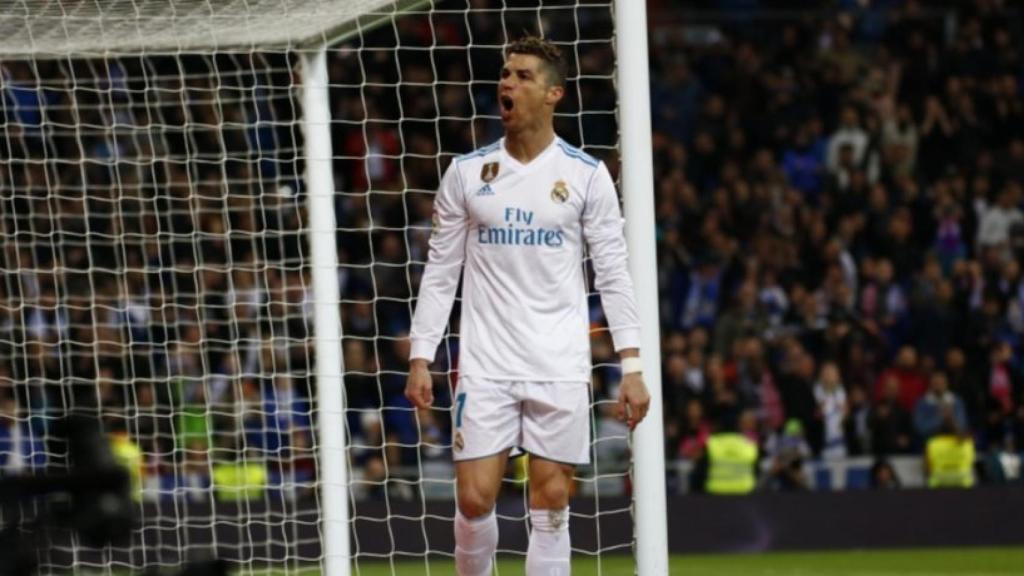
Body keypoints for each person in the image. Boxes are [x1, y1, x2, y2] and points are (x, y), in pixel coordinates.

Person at [404, 36, 650, 576]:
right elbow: (441, 272)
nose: (506, 83)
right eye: (505, 74)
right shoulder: (467, 173)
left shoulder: (586, 176)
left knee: (553, 499)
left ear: (553, 93)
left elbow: (613, 273)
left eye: (522, 76)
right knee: (472, 499)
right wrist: (421, 356)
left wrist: (631, 366)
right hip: (486, 362)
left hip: (558, 361)